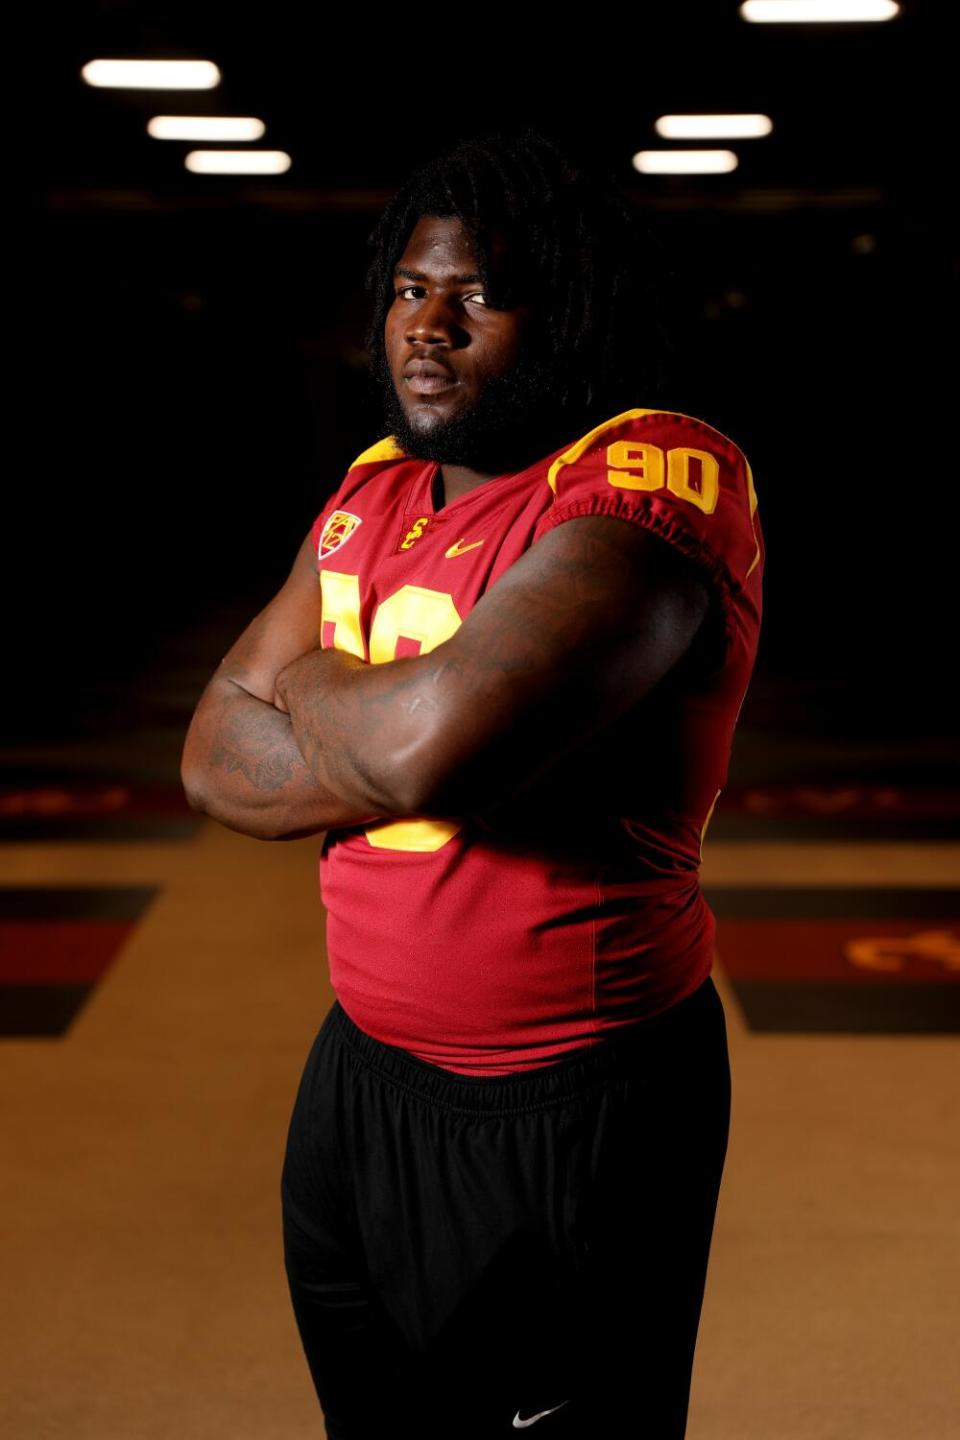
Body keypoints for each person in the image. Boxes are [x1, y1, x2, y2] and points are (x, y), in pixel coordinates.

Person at [181, 127, 764, 1440]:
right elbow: (212, 752)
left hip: (570, 1097)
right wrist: (378, 723)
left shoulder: (649, 478)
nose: (428, 327)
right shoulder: (375, 485)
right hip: (362, 1082)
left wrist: (319, 689)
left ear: (569, 314)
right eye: (408, 289)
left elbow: (427, 751)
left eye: (480, 296)